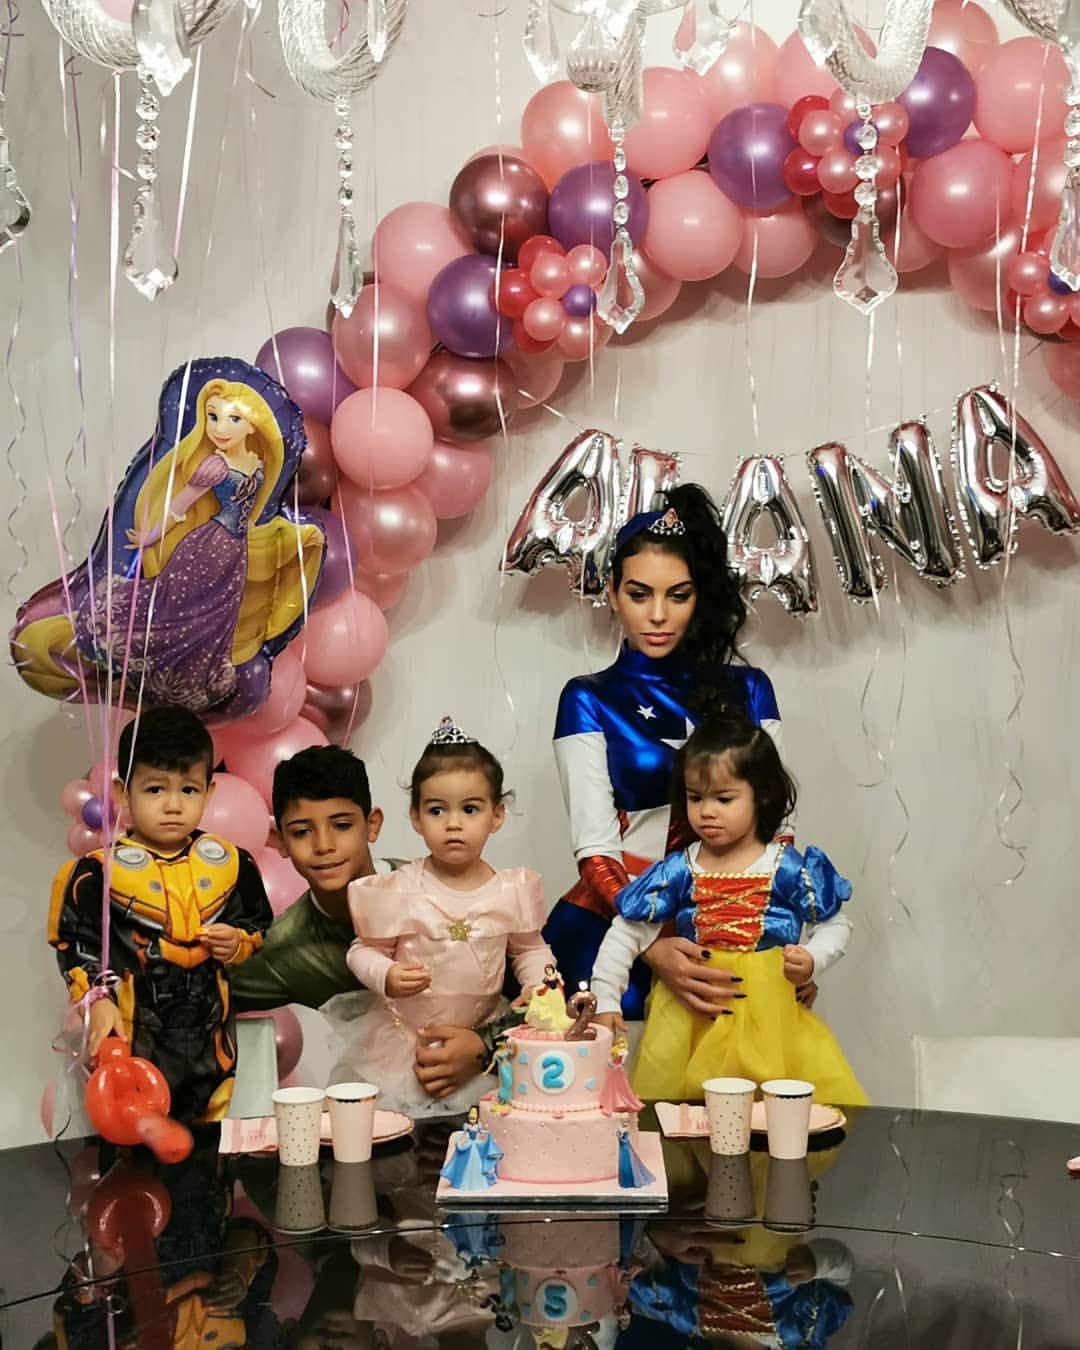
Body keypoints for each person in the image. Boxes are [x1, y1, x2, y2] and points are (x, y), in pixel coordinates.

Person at [545, 483, 791, 1024]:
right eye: (639, 594)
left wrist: (792, 947)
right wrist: (650, 944)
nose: (657, 614)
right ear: (612, 593)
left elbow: (776, 832)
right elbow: (595, 848)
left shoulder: (751, 690)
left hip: (733, 923)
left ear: (700, 597)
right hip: (613, 926)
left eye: (678, 595)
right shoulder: (587, 698)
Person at [14, 362, 323, 718]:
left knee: (214, 617)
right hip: (206, 546)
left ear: (253, 425)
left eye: (232, 419)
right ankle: (147, 658)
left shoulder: (256, 462)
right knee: (177, 608)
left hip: (234, 554)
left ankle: (191, 671)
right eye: (212, 417)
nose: (220, 428)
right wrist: (151, 534)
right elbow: (180, 503)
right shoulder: (214, 466)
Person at [591, 713, 866, 1106]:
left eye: (723, 799)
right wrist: (606, 999)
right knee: (686, 1117)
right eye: (695, 797)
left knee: (775, 1116)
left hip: (771, 1024)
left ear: (762, 795)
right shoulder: (679, 869)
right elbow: (626, 931)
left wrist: (812, 959)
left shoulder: (787, 868)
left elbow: (836, 924)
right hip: (691, 1019)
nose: (707, 811)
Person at [230, 744, 524, 1101]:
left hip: (495, 1095)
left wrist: (483, 1047)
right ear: (280, 840)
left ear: (372, 825)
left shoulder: (444, 894)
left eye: (341, 825)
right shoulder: (285, 948)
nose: (324, 845)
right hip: (380, 1105)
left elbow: (545, 995)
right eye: (302, 831)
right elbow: (202, 994)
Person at [48, 706, 273, 1124]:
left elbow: (257, 924)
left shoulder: (233, 864)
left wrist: (237, 942)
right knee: (136, 1139)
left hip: (211, 1034)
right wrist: (97, 1001)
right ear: (122, 792)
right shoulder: (95, 875)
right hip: (134, 1032)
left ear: (209, 791)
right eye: (155, 789)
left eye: (188, 789)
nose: (173, 805)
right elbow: (75, 945)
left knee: (210, 1137)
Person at [342, 716, 556, 1115]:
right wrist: (385, 973)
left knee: (484, 1129)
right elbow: (362, 950)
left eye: (470, 809)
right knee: (402, 1135)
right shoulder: (399, 889)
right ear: (415, 817)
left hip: (482, 1037)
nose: (453, 824)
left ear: (496, 815)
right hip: (405, 1041)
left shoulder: (511, 891)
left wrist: (537, 984)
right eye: (437, 810)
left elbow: (529, 949)